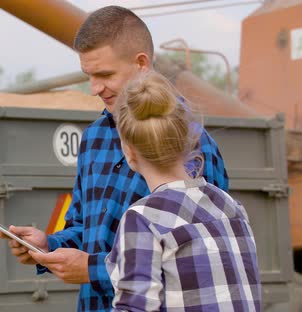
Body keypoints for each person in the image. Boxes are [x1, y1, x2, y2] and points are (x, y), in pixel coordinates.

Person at [1, 5, 229, 311]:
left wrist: (93, 270)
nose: (95, 88)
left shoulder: (192, 143)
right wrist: (48, 245)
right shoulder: (93, 139)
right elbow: (85, 228)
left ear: (141, 64)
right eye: (89, 76)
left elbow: (201, 262)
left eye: (105, 75)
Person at [104, 71, 261, 311]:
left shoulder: (143, 219)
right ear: (186, 139)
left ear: (129, 151)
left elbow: (134, 307)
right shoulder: (231, 207)